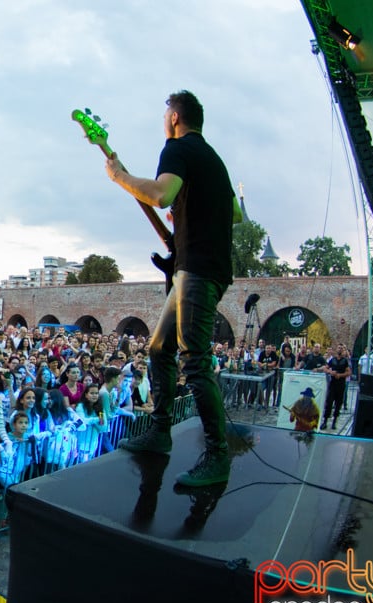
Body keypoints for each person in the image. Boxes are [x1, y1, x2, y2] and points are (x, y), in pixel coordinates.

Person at [107, 90, 241, 487]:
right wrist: (188, 208)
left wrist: (120, 177)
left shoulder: (177, 149)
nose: (163, 120)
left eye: (166, 114)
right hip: (197, 268)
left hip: (197, 270)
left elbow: (160, 192)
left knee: (195, 359)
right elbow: (234, 212)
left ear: (176, 118)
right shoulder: (213, 158)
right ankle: (160, 431)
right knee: (158, 347)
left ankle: (218, 454)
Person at [324, 346, 351, 430]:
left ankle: (334, 422)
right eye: (338, 348)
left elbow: (349, 372)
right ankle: (325, 421)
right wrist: (330, 372)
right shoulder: (333, 360)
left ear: (343, 350)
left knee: (338, 404)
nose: (339, 349)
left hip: (341, 384)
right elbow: (325, 368)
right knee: (329, 402)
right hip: (333, 384)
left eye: (341, 348)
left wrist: (340, 375)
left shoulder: (345, 361)